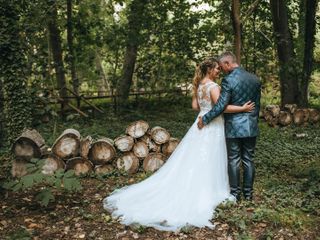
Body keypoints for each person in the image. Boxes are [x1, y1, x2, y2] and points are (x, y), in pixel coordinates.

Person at [103, 57, 254, 232]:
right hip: (212, 125)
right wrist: (242, 108)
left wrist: (205, 109)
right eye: (216, 69)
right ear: (210, 70)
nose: (218, 71)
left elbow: (194, 105)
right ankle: (209, 190)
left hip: (199, 122)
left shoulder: (199, 86)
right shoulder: (213, 86)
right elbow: (222, 107)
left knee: (194, 157)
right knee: (211, 156)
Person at [198, 52, 261, 201]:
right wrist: (253, 121)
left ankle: (234, 194)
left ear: (228, 63)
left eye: (222, 66)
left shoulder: (228, 80)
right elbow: (257, 106)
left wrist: (205, 118)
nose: (222, 70)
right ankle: (248, 194)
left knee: (233, 159)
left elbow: (221, 105)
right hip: (251, 125)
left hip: (233, 126)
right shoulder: (255, 79)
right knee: (248, 159)